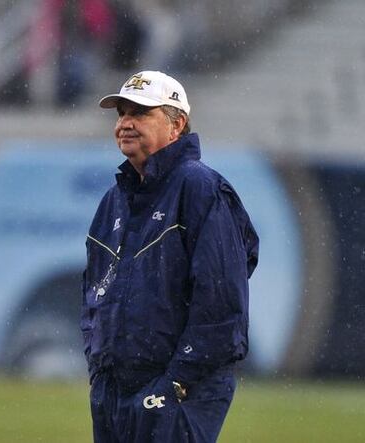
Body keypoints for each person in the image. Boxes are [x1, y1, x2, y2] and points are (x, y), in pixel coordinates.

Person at [80, 70, 259, 442]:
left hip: (178, 390)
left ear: (176, 125)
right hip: (115, 390)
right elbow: (94, 291)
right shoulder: (113, 200)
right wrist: (99, 364)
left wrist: (177, 381)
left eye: (141, 113)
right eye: (121, 113)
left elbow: (222, 303)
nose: (125, 123)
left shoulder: (200, 188)